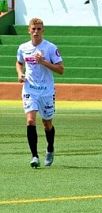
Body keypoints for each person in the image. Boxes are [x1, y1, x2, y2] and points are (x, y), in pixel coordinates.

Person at [15, 17, 64, 168]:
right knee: (30, 120)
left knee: (47, 123)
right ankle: (34, 156)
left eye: (39, 29)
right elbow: (19, 62)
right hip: (30, 89)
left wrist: (43, 62)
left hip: (47, 91)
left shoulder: (50, 48)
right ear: (29, 30)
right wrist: (20, 74)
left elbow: (61, 69)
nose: (36, 32)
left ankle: (50, 148)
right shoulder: (23, 47)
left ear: (43, 30)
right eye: (33, 29)